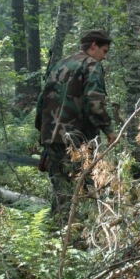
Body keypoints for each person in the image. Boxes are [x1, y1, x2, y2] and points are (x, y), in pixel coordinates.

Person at [35, 29, 117, 217]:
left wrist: (44, 133)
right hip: (79, 139)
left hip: (52, 137)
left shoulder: (59, 64)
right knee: (86, 187)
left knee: (60, 190)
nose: (104, 57)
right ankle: (84, 228)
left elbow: (41, 102)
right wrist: (108, 130)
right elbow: (94, 102)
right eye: (104, 51)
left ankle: (59, 227)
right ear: (94, 46)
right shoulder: (91, 66)